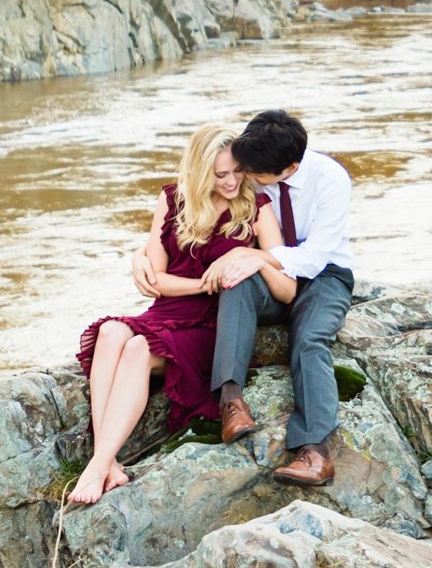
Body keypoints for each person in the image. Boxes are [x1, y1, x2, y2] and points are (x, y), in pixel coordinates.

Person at [68, 123, 294, 505]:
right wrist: (205, 281)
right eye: (220, 174)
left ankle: (97, 465)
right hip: (169, 307)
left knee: (139, 349)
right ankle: (108, 462)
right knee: (109, 334)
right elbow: (156, 279)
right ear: (200, 171)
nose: (232, 181)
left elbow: (284, 277)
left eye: (238, 171)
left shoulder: (256, 206)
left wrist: (252, 259)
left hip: (214, 321)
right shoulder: (173, 201)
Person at [205, 109, 355, 487]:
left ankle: (315, 451)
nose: (245, 180)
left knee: (309, 340)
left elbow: (315, 257)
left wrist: (256, 255)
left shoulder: (331, 179)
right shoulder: (253, 167)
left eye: (254, 176)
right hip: (270, 277)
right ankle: (231, 403)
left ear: (288, 169)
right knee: (236, 281)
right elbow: (195, 205)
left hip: (324, 277)